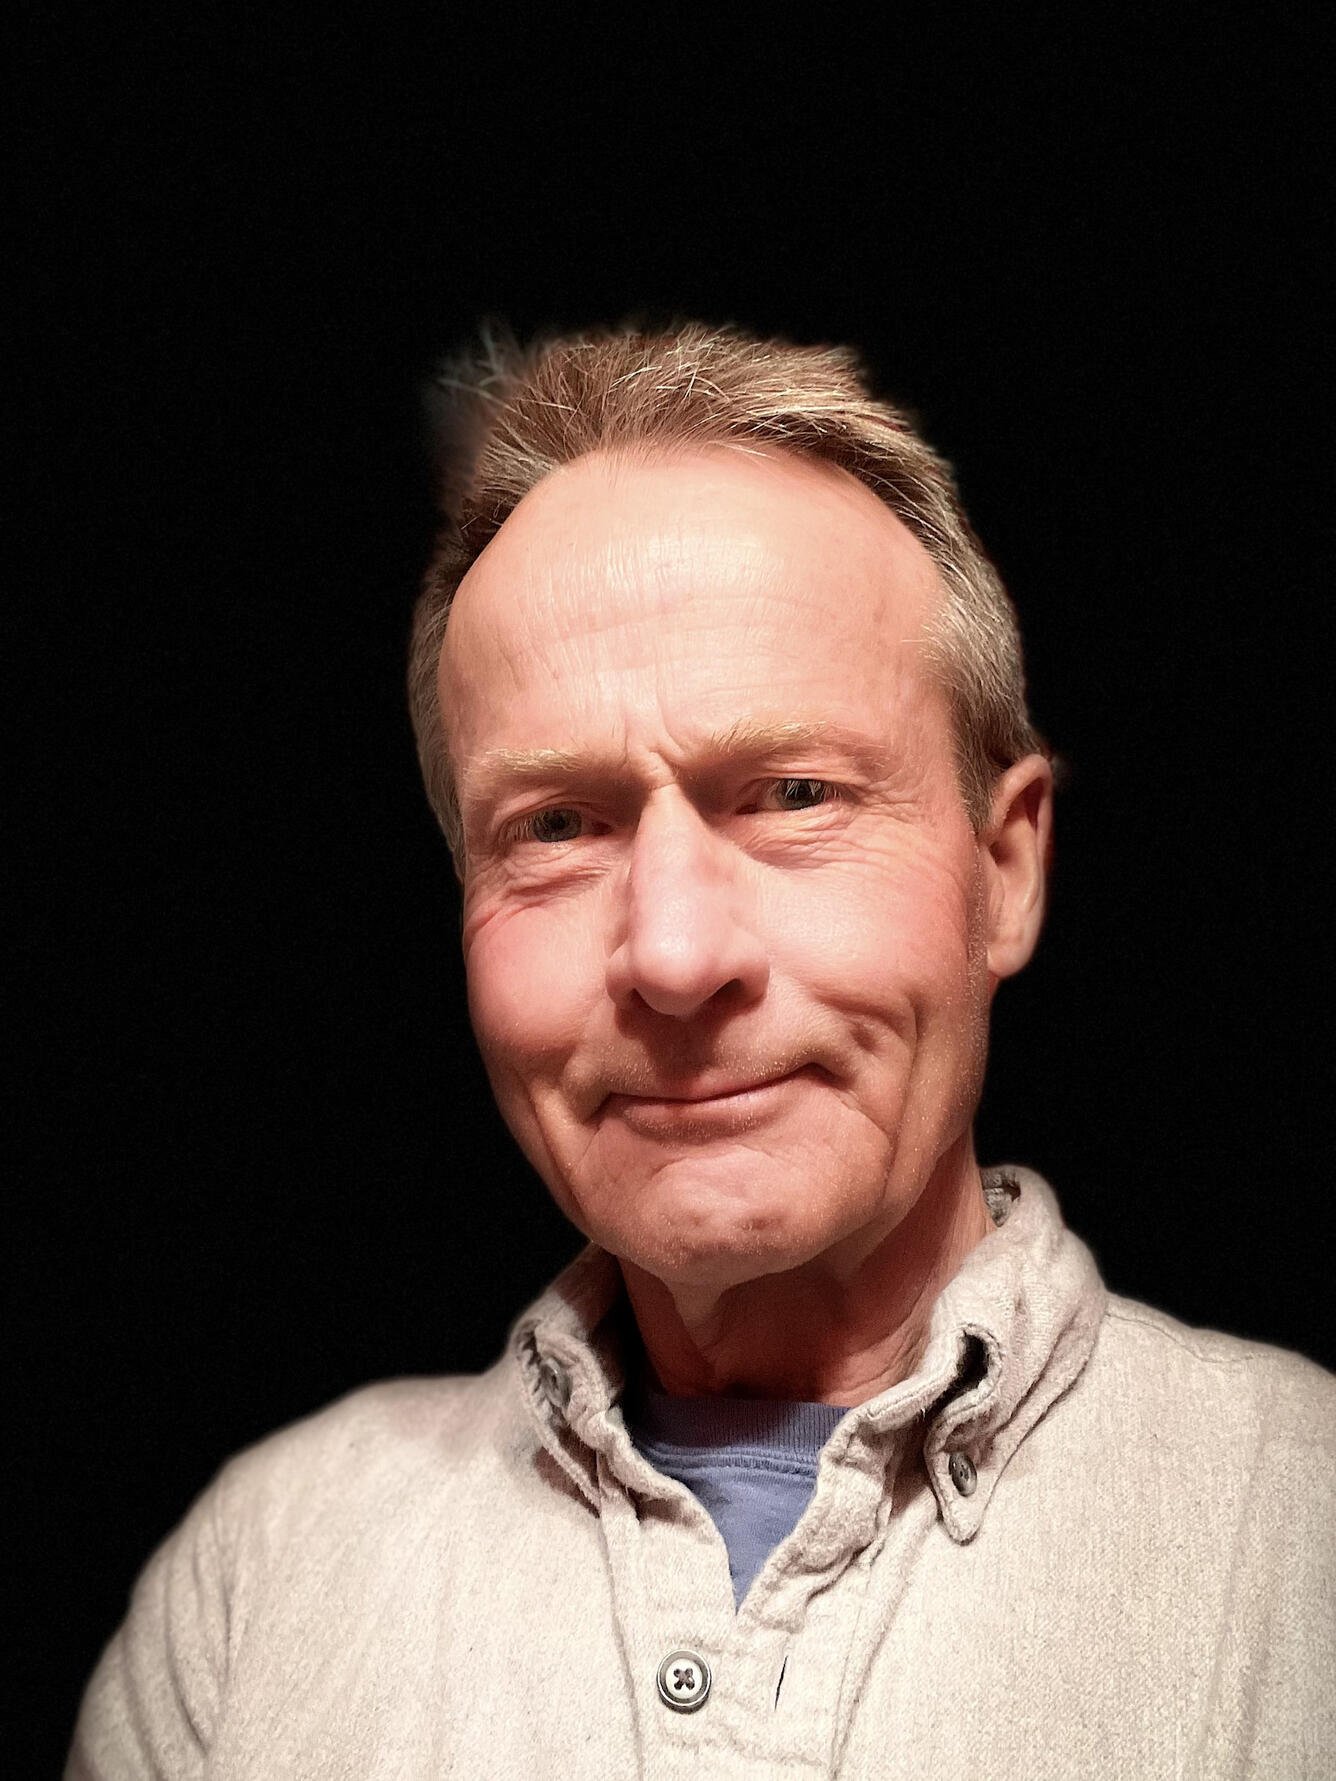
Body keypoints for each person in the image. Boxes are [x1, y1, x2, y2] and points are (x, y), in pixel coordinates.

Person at [68, 322, 1335, 1779]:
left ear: (1009, 867)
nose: (673, 956)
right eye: (555, 827)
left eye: (794, 792)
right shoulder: (259, 1581)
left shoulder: (1307, 1534)